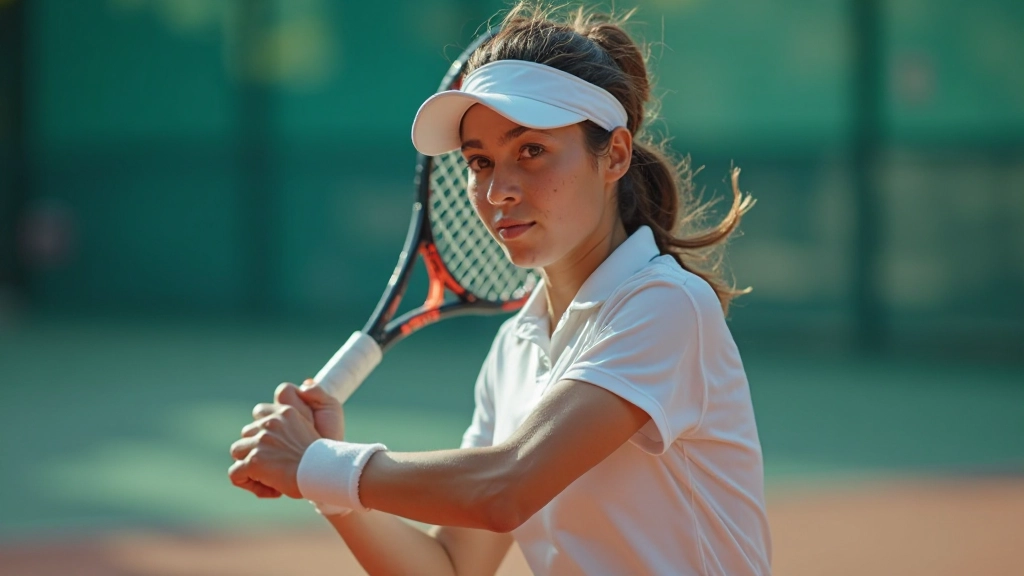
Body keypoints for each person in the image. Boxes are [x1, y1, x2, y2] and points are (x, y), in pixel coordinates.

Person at [228, 3, 771, 575]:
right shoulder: (515, 349)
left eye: (531, 150)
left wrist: (313, 461)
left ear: (613, 154)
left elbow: (506, 487)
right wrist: (331, 490)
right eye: (479, 162)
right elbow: (453, 567)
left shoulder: (666, 305)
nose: (497, 191)